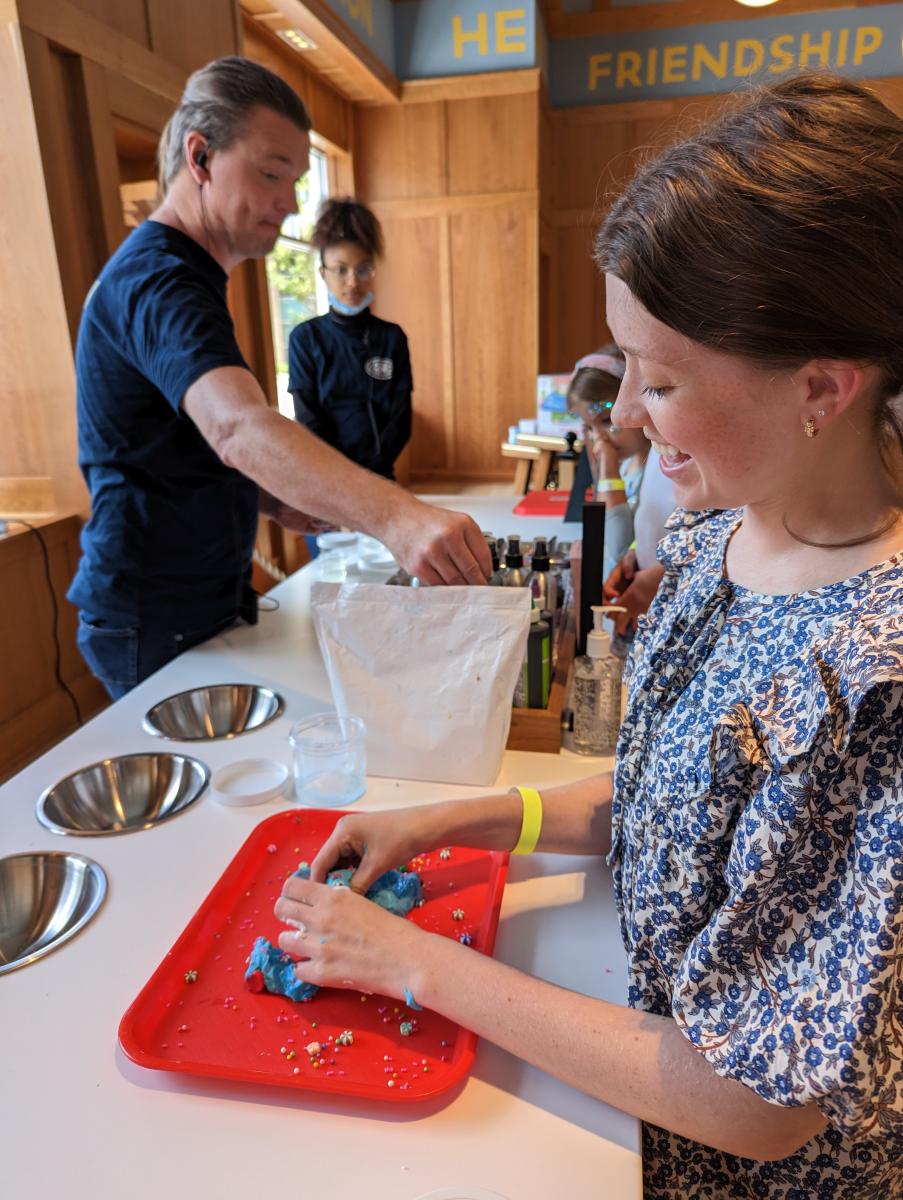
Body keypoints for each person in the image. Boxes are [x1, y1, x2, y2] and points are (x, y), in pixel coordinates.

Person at [272, 73, 903, 1200]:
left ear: (822, 387)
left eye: (661, 382)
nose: (621, 421)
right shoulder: (722, 544)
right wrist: (460, 818)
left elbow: (750, 1102)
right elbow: (677, 808)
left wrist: (413, 965)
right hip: (624, 1074)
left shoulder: (874, 680)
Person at [69, 57, 489, 698]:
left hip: (199, 596)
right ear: (201, 157)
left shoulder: (193, 279)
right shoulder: (160, 279)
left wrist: (272, 498)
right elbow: (236, 427)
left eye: (294, 180)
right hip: (153, 610)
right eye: (271, 174)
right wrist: (400, 519)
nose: (288, 203)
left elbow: (178, 446)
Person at [289, 199, 412, 481]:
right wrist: (342, 475)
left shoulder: (392, 337)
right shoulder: (305, 340)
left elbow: (401, 418)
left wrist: (372, 471)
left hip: (381, 477)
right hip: (326, 478)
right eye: (341, 270)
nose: (353, 282)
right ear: (323, 273)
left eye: (363, 269)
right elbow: (308, 419)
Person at [567, 345, 675, 582]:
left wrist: (608, 468)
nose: (600, 438)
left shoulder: (661, 471)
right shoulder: (628, 467)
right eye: (589, 428)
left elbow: (618, 547)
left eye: (606, 421)